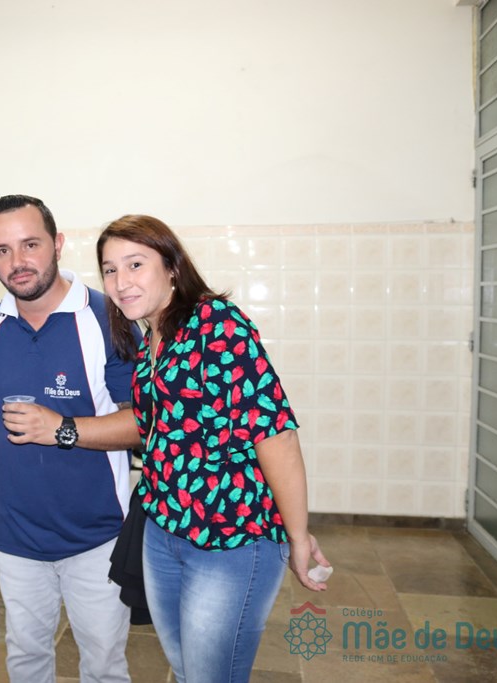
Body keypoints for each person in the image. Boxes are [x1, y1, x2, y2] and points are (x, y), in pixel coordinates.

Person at [96, 214, 330, 683]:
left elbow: (275, 433)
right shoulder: (151, 336)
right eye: (109, 269)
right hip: (164, 530)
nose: (121, 282)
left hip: (230, 538)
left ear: (172, 267)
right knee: (188, 671)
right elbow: (161, 428)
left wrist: (298, 535)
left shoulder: (216, 324)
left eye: (136, 264)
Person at [0, 195, 141, 683]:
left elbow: (144, 423)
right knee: (26, 660)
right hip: (15, 537)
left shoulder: (108, 319)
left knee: (104, 666)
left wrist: (59, 429)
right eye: (2, 250)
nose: (17, 261)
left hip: (97, 536)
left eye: (30, 244)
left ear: (57, 244)